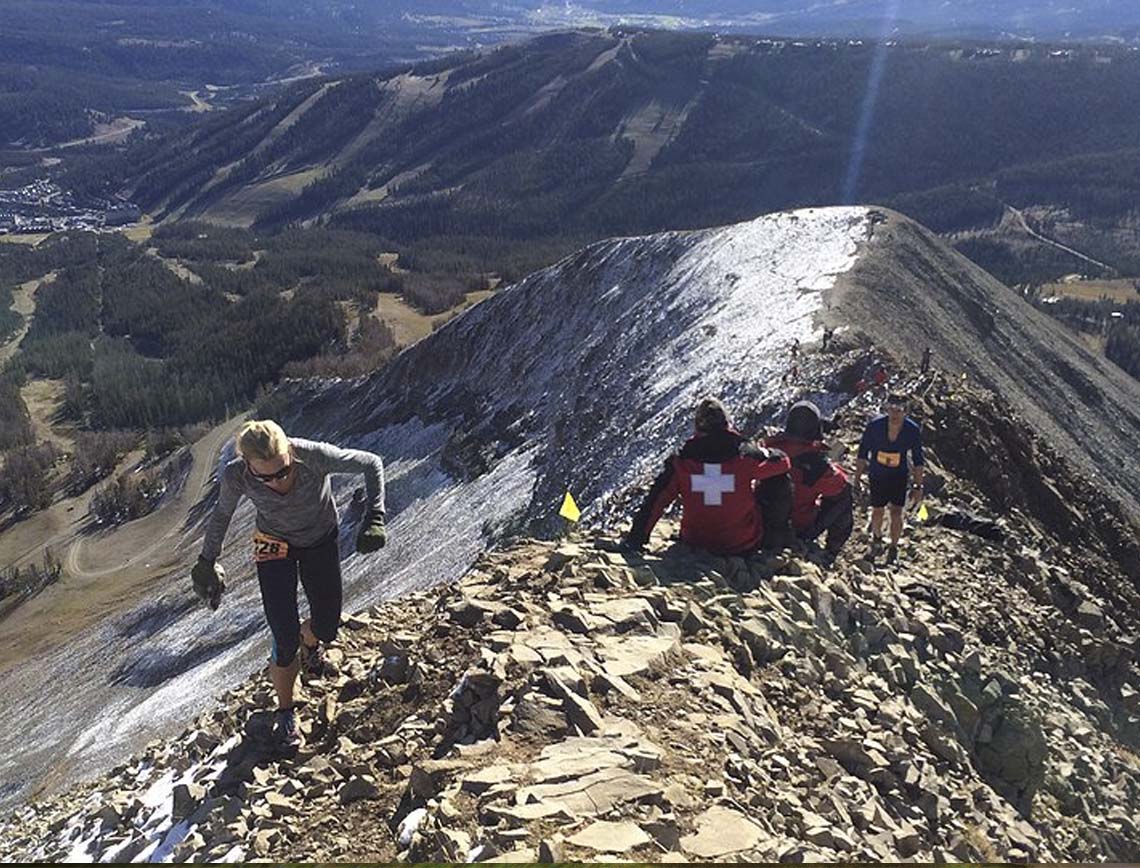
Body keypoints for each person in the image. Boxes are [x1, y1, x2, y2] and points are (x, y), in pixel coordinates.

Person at [191, 420, 387, 750]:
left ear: (289, 451)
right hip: (273, 543)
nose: (277, 481)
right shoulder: (236, 474)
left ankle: (309, 643)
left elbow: (371, 463)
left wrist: (376, 515)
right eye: (264, 477)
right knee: (282, 635)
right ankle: (286, 714)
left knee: (326, 625)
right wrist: (206, 561)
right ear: (247, 464)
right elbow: (222, 514)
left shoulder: (314, 457)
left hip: (319, 539)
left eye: (282, 471)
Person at [624, 397, 792, 555]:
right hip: (741, 543)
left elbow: (655, 501)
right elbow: (783, 462)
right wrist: (766, 449)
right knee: (779, 480)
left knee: (663, 491)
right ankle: (777, 541)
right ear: (727, 423)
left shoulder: (681, 461)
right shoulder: (745, 454)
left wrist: (636, 538)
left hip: (695, 541)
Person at [763, 401, 853, 566]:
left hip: (763, 523)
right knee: (845, 493)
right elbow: (840, 484)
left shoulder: (768, 451)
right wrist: (834, 468)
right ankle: (830, 551)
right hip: (796, 527)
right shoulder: (815, 463)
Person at [851, 394, 925, 564]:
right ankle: (877, 540)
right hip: (877, 474)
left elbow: (918, 459)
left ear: (905, 411)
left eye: (899, 410)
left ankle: (893, 546)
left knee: (897, 511)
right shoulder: (875, 426)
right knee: (877, 509)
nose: (894, 414)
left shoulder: (911, 430)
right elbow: (862, 453)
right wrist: (856, 479)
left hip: (899, 475)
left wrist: (918, 486)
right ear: (886, 408)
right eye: (891, 409)